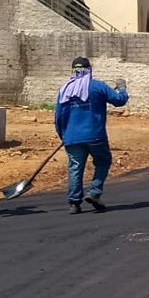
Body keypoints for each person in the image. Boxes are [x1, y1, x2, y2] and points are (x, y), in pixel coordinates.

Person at [55, 57, 129, 214]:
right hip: (95, 135)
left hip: (72, 137)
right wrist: (122, 88)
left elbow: (58, 117)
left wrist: (63, 135)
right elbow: (119, 101)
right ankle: (94, 192)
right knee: (103, 161)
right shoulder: (97, 86)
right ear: (89, 70)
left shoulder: (65, 90)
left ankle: (74, 203)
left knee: (75, 167)